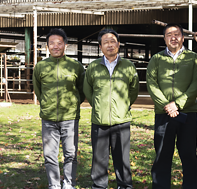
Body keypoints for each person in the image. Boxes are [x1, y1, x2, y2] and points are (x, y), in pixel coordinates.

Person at [146, 23, 197, 188]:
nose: (173, 37)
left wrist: (177, 104)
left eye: (177, 34)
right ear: (164, 38)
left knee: (188, 153)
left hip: (188, 113)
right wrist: (166, 105)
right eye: (169, 34)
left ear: (183, 37)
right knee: (162, 154)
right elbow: (151, 83)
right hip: (164, 114)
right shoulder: (156, 59)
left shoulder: (193, 58)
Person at [83, 29, 139, 189]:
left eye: (113, 41)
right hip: (99, 121)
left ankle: (125, 185)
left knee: (122, 158)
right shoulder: (93, 67)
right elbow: (88, 91)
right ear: (100, 46)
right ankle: (99, 186)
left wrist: (124, 105)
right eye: (105, 42)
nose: (109, 45)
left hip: (121, 121)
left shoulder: (128, 66)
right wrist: (100, 106)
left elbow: (133, 90)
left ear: (119, 44)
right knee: (99, 159)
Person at [33, 28, 85, 189]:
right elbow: (38, 90)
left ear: (65, 45)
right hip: (48, 118)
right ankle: (54, 184)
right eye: (52, 43)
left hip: (69, 117)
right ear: (47, 46)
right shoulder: (40, 66)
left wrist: (74, 104)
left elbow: (82, 90)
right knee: (49, 155)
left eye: (59, 43)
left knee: (70, 154)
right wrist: (47, 104)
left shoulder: (75, 66)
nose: (55, 46)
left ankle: (68, 183)